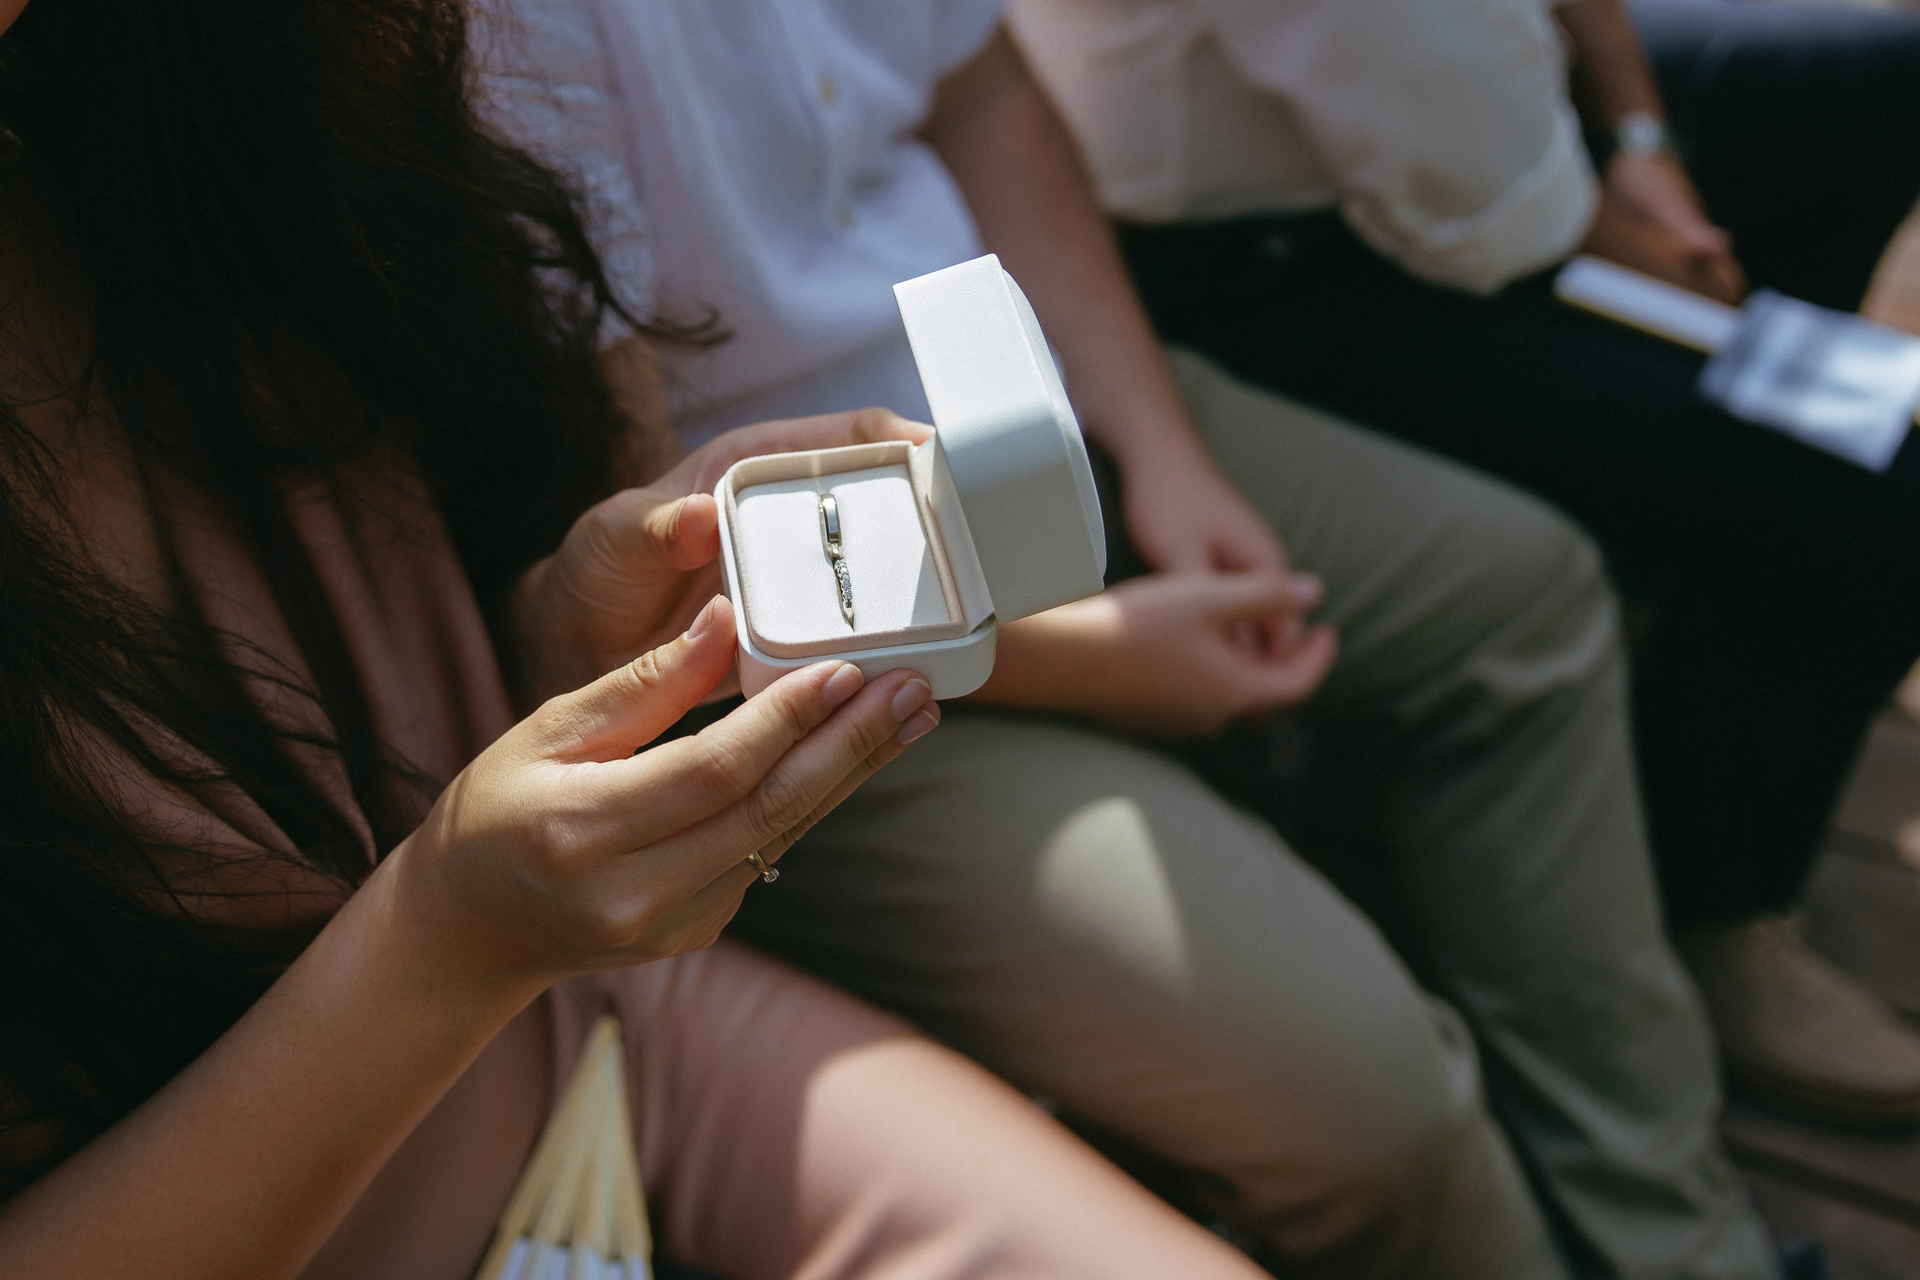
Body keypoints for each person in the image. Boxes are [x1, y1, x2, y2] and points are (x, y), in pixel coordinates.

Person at [477, 2, 1781, 1275]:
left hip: (1032, 419)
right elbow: (660, 547)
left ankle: (1676, 1242)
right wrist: (1098, 654)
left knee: (1521, 593)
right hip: (818, 644)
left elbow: (983, 89)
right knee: (1375, 1105)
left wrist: (1163, 451)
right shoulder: (510, 32)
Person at [0, 2, 1295, 1277]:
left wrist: (553, 640)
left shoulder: (181, 96)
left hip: (594, 1028)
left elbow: (366, 685)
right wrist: (443, 945)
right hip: (403, 1119)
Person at [1008, 0, 1920, 1129]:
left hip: (1428, 140)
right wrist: (1666, 260)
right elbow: (1487, 216)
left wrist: (1641, 137)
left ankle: (1723, 594)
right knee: (1882, 485)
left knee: (1865, 84)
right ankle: (1713, 892)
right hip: (1250, 256)